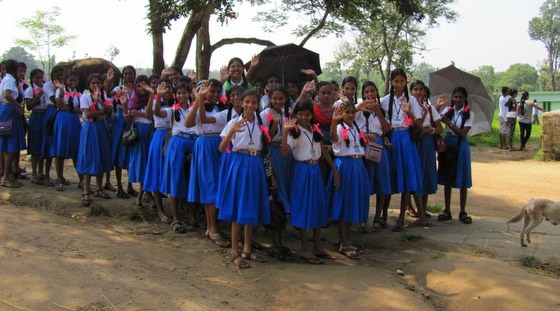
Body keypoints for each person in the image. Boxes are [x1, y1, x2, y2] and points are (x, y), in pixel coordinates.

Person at [217, 89, 271, 269]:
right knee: (238, 207)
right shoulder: (234, 122)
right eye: (246, 102)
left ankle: (247, 249)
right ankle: (234, 251)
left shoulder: (261, 123)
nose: (250, 105)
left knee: (251, 205)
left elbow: (265, 150)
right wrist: (232, 131)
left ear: (258, 105)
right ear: (241, 102)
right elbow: (222, 147)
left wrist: (270, 175)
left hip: (255, 164)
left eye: (254, 102)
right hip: (239, 163)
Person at [281, 98, 336, 264]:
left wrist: (333, 168)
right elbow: (284, 152)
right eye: (300, 114)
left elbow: (322, 152)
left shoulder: (315, 130)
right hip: (302, 170)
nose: (304, 117)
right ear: (296, 115)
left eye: (307, 114)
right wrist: (284, 132)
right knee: (303, 207)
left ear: (312, 114)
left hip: (315, 170)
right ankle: (305, 248)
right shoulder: (293, 132)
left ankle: (317, 246)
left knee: (318, 206)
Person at [380, 69, 429, 231]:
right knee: (390, 176)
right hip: (392, 138)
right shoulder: (385, 100)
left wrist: (409, 113)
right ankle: (383, 215)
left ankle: (401, 217)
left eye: (402, 81)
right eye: (396, 81)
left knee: (406, 178)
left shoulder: (412, 100)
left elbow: (420, 124)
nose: (399, 84)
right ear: (391, 82)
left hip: (406, 139)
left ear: (405, 82)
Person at [187, 79, 231, 248]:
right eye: (211, 91)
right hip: (205, 145)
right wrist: (199, 99)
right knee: (209, 186)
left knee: (218, 185)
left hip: (220, 144)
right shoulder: (200, 105)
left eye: (217, 91)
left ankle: (213, 226)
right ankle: (212, 229)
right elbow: (189, 123)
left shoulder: (223, 108)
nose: (214, 94)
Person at [328, 102, 369, 259]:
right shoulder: (339, 127)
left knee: (352, 202)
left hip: (357, 165)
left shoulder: (355, 128)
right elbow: (333, 138)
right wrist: (333, 121)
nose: (351, 115)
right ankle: (343, 242)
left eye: (353, 112)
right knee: (344, 203)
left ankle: (348, 239)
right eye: (348, 112)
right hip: (346, 166)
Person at [160, 82, 199, 232]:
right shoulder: (172, 110)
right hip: (177, 143)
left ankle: (192, 215)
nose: (182, 95)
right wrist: (157, 96)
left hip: (193, 143)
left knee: (191, 180)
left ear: (190, 94)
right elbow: (157, 113)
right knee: (176, 180)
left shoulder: (194, 108)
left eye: (185, 92)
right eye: (179, 93)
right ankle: (175, 218)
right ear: (176, 95)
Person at [355, 81, 392, 232]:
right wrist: (364, 135)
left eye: (372, 91)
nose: (370, 95)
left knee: (381, 183)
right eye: (367, 92)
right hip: (364, 145)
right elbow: (352, 125)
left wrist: (378, 112)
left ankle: (377, 217)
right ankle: (363, 218)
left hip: (378, 146)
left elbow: (386, 128)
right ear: (363, 94)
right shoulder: (359, 110)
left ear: (377, 93)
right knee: (365, 184)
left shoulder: (382, 109)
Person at [408, 80, 445, 219]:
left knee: (426, 174)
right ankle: (418, 211)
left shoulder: (429, 107)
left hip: (427, 144)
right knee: (416, 174)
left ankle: (422, 208)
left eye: (421, 89)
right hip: (413, 143)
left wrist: (429, 131)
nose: (418, 92)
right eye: (415, 89)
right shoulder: (408, 107)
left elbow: (440, 128)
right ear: (411, 92)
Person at [437, 86, 474, 224]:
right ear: (452, 98)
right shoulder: (448, 110)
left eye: (461, 97)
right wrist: (439, 107)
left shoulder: (469, 114)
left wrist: (448, 122)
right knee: (447, 177)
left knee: (462, 177)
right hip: (448, 143)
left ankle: (462, 210)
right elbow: (435, 119)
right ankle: (447, 209)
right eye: (456, 97)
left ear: (465, 99)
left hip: (460, 144)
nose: (458, 99)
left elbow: (463, 133)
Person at [76, 74, 114, 206]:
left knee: (101, 157)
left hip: (101, 129)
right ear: (89, 85)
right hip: (90, 128)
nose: (95, 85)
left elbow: (110, 110)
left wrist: (99, 101)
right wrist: (103, 112)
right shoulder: (85, 97)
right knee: (89, 156)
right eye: (93, 83)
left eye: (98, 82)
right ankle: (86, 190)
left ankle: (99, 188)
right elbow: (88, 114)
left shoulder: (104, 97)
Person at [143, 79, 174, 225]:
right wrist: (154, 96)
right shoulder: (157, 103)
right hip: (160, 137)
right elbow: (150, 114)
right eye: (162, 88)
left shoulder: (176, 105)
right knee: (156, 172)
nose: (166, 90)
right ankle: (160, 211)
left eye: (168, 87)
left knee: (170, 173)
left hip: (173, 138)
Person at [125, 75, 155, 207]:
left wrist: (139, 114)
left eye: (145, 85)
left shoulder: (153, 100)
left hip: (149, 132)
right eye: (139, 85)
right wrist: (125, 107)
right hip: (138, 134)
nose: (142, 88)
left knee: (148, 164)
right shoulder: (132, 100)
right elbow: (128, 120)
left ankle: (141, 196)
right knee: (141, 163)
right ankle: (146, 196)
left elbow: (151, 116)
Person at [51, 71, 83, 191]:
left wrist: (73, 108)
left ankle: (82, 180)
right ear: (65, 81)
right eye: (70, 80)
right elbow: (59, 105)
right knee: (60, 149)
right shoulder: (61, 91)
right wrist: (61, 91)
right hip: (62, 120)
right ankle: (59, 179)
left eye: (75, 80)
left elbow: (80, 109)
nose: (73, 82)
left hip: (74, 121)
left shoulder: (78, 94)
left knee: (76, 150)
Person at [0, 59, 26, 188]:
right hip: (9, 111)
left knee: (5, 143)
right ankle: (6, 177)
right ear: (15, 70)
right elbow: (6, 95)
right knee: (10, 144)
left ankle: (7, 174)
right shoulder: (10, 80)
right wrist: (18, 105)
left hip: (5, 111)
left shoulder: (6, 79)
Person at [42, 66, 65, 186]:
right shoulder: (47, 86)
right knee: (49, 145)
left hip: (59, 114)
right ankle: (46, 176)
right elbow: (55, 100)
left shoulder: (63, 87)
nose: (60, 78)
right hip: (51, 112)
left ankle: (60, 176)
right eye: (58, 75)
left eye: (62, 75)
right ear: (53, 74)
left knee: (57, 145)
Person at [24, 68, 47, 184]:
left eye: (41, 77)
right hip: (36, 117)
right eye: (36, 77)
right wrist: (38, 96)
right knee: (34, 145)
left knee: (42, 145)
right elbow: (29, 107)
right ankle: (33, 173)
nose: (39, 80)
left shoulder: (46, 89)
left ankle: (40, 172)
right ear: (32, 79)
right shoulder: (30, 90)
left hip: (44, 117)